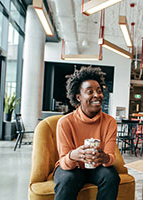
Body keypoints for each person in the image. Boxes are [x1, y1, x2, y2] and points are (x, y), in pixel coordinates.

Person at [53, 67, 120, 200]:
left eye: (99, 91)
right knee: (67, 180)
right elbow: (64, 162)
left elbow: (110, 158)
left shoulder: (109, 122)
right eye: (90, 92)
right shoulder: (65, 122)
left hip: (97, 167)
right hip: (72, 167)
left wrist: (105, 157)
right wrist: (74, 155)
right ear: (78, 97)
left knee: (111, 177)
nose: (97, 95)